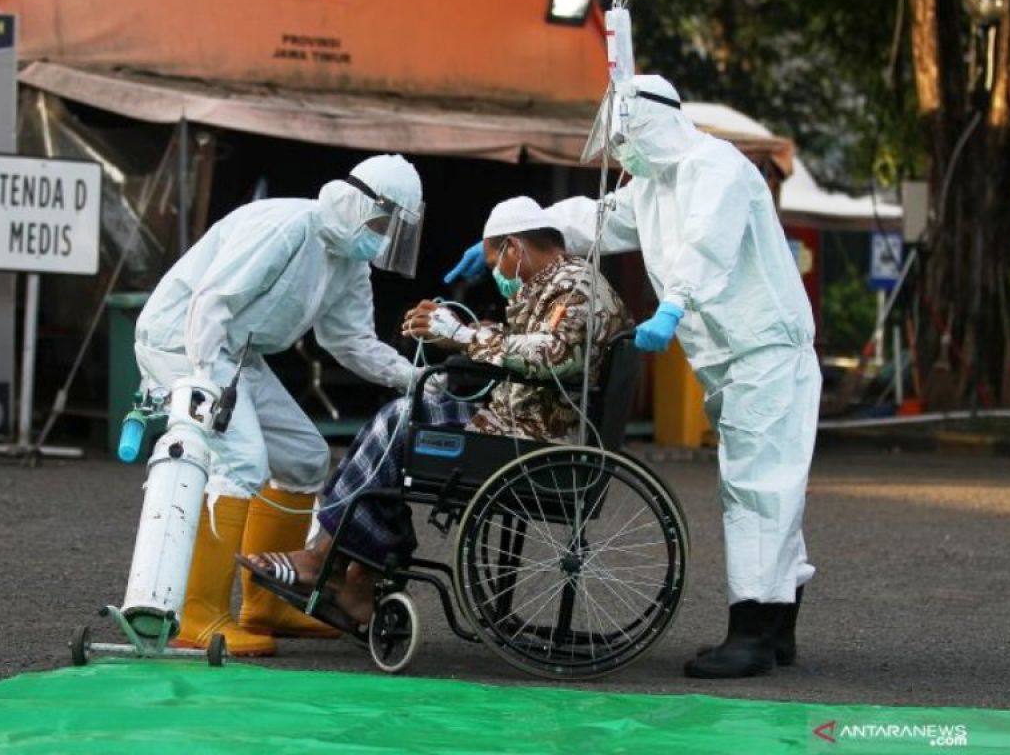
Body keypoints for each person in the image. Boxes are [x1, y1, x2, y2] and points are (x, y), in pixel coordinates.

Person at [445, 75, 820, 679]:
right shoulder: (653, 188)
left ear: (649, 121)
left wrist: (674, 304)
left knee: (759, 489)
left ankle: (751, 635)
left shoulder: (715, 166)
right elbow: (592, 218)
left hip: (766, 348)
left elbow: (709, 242)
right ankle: (775, 633)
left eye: (624, 139)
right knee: (767, 486)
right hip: (730, 359)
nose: (621, 155)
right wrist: (500, 240)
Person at [240, 196, 632, 625]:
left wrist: (463, 336)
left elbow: (552, 354)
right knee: (408, 418)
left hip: (537, 440)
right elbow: (532, 344)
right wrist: (458, 332)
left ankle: (333, 560)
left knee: (401, 420)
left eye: (494, 262)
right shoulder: (552, 285)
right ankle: (353, 572)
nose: (497, 274)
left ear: (514, 249)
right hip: (519, 425)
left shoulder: (574, 286)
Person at [133, 154, 427, 656]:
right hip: (183, 341)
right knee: (238, 458)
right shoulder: (288, 226)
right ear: (355, 202)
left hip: (238, 353)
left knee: (306, 457)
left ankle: (268, 604)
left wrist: (416, 379)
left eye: (390, 230)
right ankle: (196, 613)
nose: (380, 238)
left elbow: (350, 340)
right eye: (380, 223)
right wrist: (206, 383)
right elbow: (212, 302)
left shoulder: (350, 261)